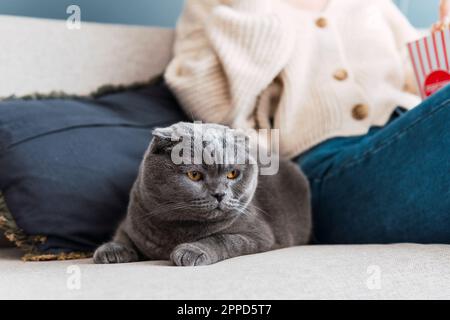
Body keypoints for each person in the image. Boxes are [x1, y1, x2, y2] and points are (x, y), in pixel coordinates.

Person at [164, 0, 450, 244]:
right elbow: (217, 109)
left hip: (414, 142)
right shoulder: (215, 6)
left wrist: (443, 47)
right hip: (323, 174)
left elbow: (423, 86)